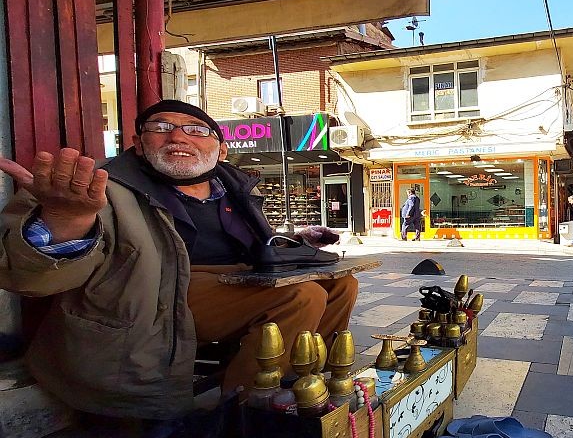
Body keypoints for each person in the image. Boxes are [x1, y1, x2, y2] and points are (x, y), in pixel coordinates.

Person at [0, 100, 358, 419]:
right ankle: (245, 409)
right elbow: (29, 279)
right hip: (155, 290)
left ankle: (299, 377)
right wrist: (66, 225)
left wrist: (296, 241)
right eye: (160, 127)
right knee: (301, 295)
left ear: (220, 150)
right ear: (139, 146)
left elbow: (254, 243)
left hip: (235, 281)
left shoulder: (233, 186)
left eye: (196, 130)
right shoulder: (98, 186)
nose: (178, 137)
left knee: (342, 282)